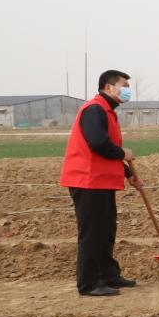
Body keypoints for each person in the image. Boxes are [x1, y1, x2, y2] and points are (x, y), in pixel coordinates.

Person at [60, 70, 139, 297]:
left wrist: (127, 173)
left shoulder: (107, 111)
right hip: (87, 181)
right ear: (108, 87)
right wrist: (123, 153)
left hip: (101, 181)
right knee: (93, 233)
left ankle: (108, 275)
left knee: (106, 231)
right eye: (124, 85)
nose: (127, 90)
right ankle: (89, 283)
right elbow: (98, 143)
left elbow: (106, 150)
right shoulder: (94, 110)